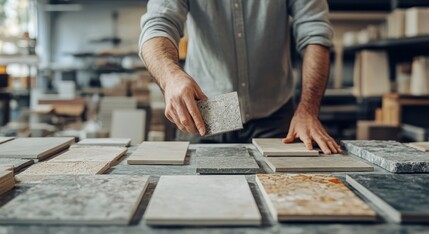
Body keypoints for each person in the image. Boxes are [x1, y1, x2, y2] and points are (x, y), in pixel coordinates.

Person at [139, 0, 342, 154]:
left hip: (274, 118)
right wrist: (171, 77)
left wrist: (308, 110)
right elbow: (158, 24)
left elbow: (315, 34)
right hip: (204, 115)